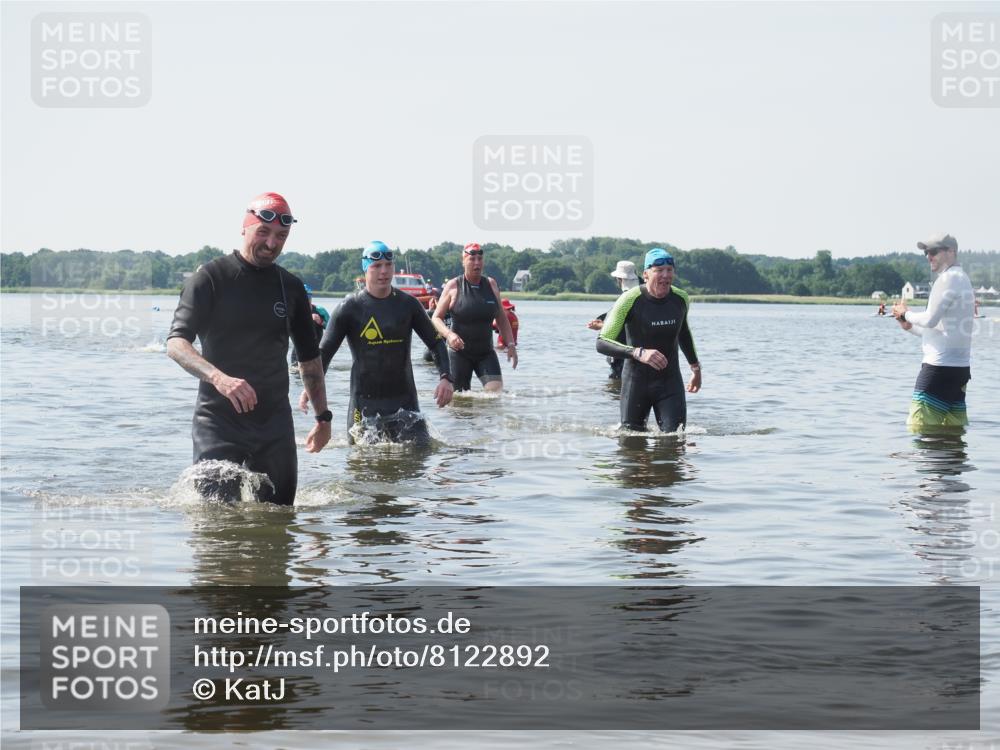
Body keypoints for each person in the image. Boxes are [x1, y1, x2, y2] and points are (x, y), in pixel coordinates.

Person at [166, 192, 331, 505]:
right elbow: (176, 344)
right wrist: (220, 378)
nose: (272, 244)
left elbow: (310, 362)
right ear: (245, 227)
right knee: (217, 524)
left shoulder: (291, 287)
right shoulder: (210, 278)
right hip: (217, 422)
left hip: (274, 425)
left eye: (281, 236)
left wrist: (324, 418)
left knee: (279, 522)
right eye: (264, 233)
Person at [302, 240, 454, 444]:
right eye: (376, 266)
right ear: (366, 269)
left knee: (418, 463)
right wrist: (309, 387)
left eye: (388, 265)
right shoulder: (349, 307)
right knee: (362, 467)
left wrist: (446, 377)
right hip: (363, 406)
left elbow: (436, 343)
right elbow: (325, 353)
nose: (384, 271)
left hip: (405, 405)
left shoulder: (408, 305)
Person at [596, 249, 702, 432]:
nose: (665, 275)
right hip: (636, 383)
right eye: (659, 271)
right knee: (630, 445)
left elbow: (683, 332)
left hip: (670, 382)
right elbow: (602, 341)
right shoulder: (629, 299)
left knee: (676, 440)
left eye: (669, 270)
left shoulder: (680, 298)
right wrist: (638, 353)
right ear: (645, 274)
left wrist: (695, 368)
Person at [892, 233, 974, 431]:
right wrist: (909, 326)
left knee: (918, 430)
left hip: (938, 370)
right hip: (959, 371)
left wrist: (906, 313)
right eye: (926, 253)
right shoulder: (962, 279)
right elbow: (941, 330)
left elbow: (930, 319)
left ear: (951, 252)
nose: (929, 256)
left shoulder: (947, 279)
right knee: (952, 436)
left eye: (934, 251)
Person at [431, 243, 518, 392]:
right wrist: (449, 335)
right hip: (459, 354)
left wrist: (511, 344)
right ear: (463, 261)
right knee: (460, 402)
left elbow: (501, 317)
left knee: (495, 396)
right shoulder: (453, 286)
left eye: (480, 258)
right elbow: (436, 318)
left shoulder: (491, 284)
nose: (477, 263)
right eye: (472, 259)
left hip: (486, 353)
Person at [587, 260, 641, 380]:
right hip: (639, 354)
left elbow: (625, 326)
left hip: (623, 355)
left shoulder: (626, 299)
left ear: (619, 279)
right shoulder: (643, 295)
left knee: (617, 389)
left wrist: (601, 326)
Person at [290, 284, 330, 371]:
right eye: (303, 297)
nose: (305, 300)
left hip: (317, 351)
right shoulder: (293, 312)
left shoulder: (320, 310)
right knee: (296, 374)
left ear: (311, 298)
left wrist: (321, 321)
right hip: (298, 353)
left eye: (308, 297)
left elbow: (332, 328)